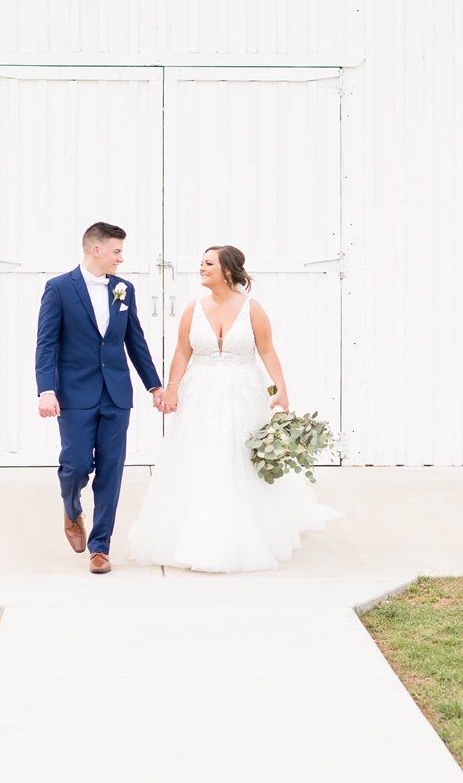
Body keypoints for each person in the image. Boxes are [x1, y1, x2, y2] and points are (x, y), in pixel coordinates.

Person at [128, 245, 339, 572]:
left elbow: (267, 351)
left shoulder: (252, 309)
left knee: (240, 458)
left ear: (228, 271)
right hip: (200, 396)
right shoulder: (192, 309)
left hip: (243, 395)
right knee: (201, 457)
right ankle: (195, 532)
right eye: (201, 262)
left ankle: (249, 530)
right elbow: (183, 352)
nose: (201, 268)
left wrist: (281, 388)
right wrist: (172, 388)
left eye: (208, 263)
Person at [35, 222, 163, 575]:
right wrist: (46, 390)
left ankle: (101, 547)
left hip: (116, 394)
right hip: (73, 393)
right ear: (96, 250)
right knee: (75, 464)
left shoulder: (124, 289)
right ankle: (71, 506)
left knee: (111, 470)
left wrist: (154, 385)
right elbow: (46, 343)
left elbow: (135, 340)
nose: (122, 258)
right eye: (117, 251)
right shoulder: (59, 288)